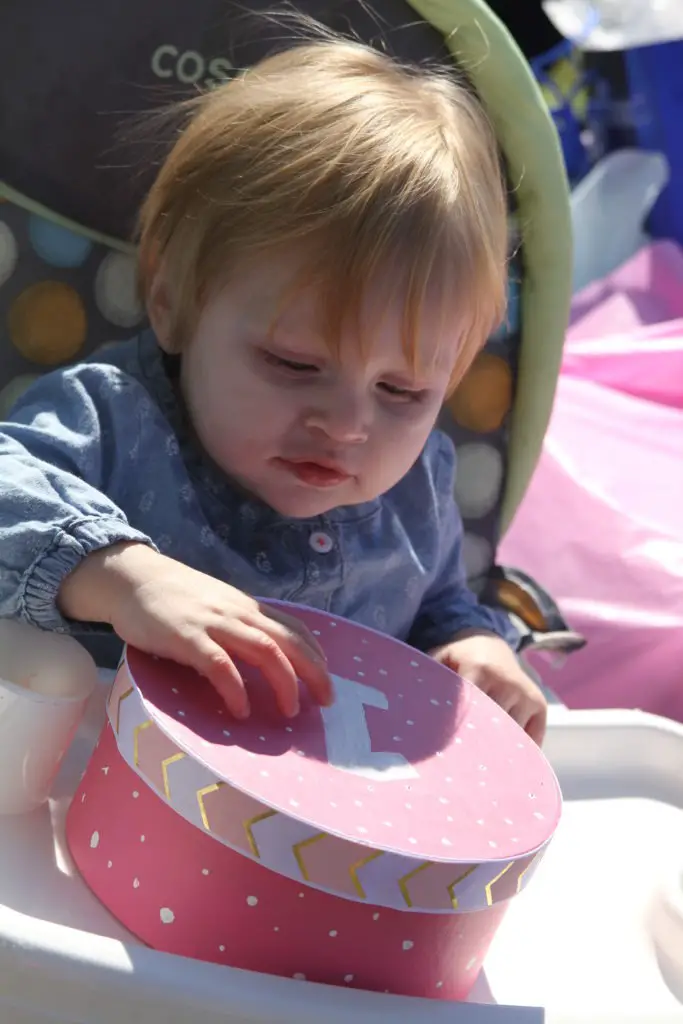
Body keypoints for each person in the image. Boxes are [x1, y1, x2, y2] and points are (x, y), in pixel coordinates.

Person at [0, 37, 547, 743]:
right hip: (86, 786)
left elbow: (439, 596)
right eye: (294, 363)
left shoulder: (419, 488)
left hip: (317, 830)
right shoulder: (110, 423)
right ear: (172, 299)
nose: (348, 423)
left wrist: (471, 643)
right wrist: (123, 576)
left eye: (403, 389)